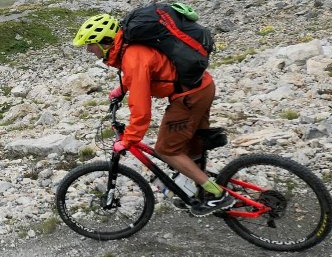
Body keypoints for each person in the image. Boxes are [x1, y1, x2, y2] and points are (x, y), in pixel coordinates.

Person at [72, 12, 235, 216]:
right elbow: (144, 74)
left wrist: (129, 139)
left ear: (105, 42)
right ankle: (196, 190)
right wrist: (120, 90)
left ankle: (217, 195)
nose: (88, 50)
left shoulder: (132, 56)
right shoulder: (129, 50)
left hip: (190, 96)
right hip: (200, 87)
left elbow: (141, 109)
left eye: (90, 44)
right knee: (188, 145)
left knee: (167, 150)